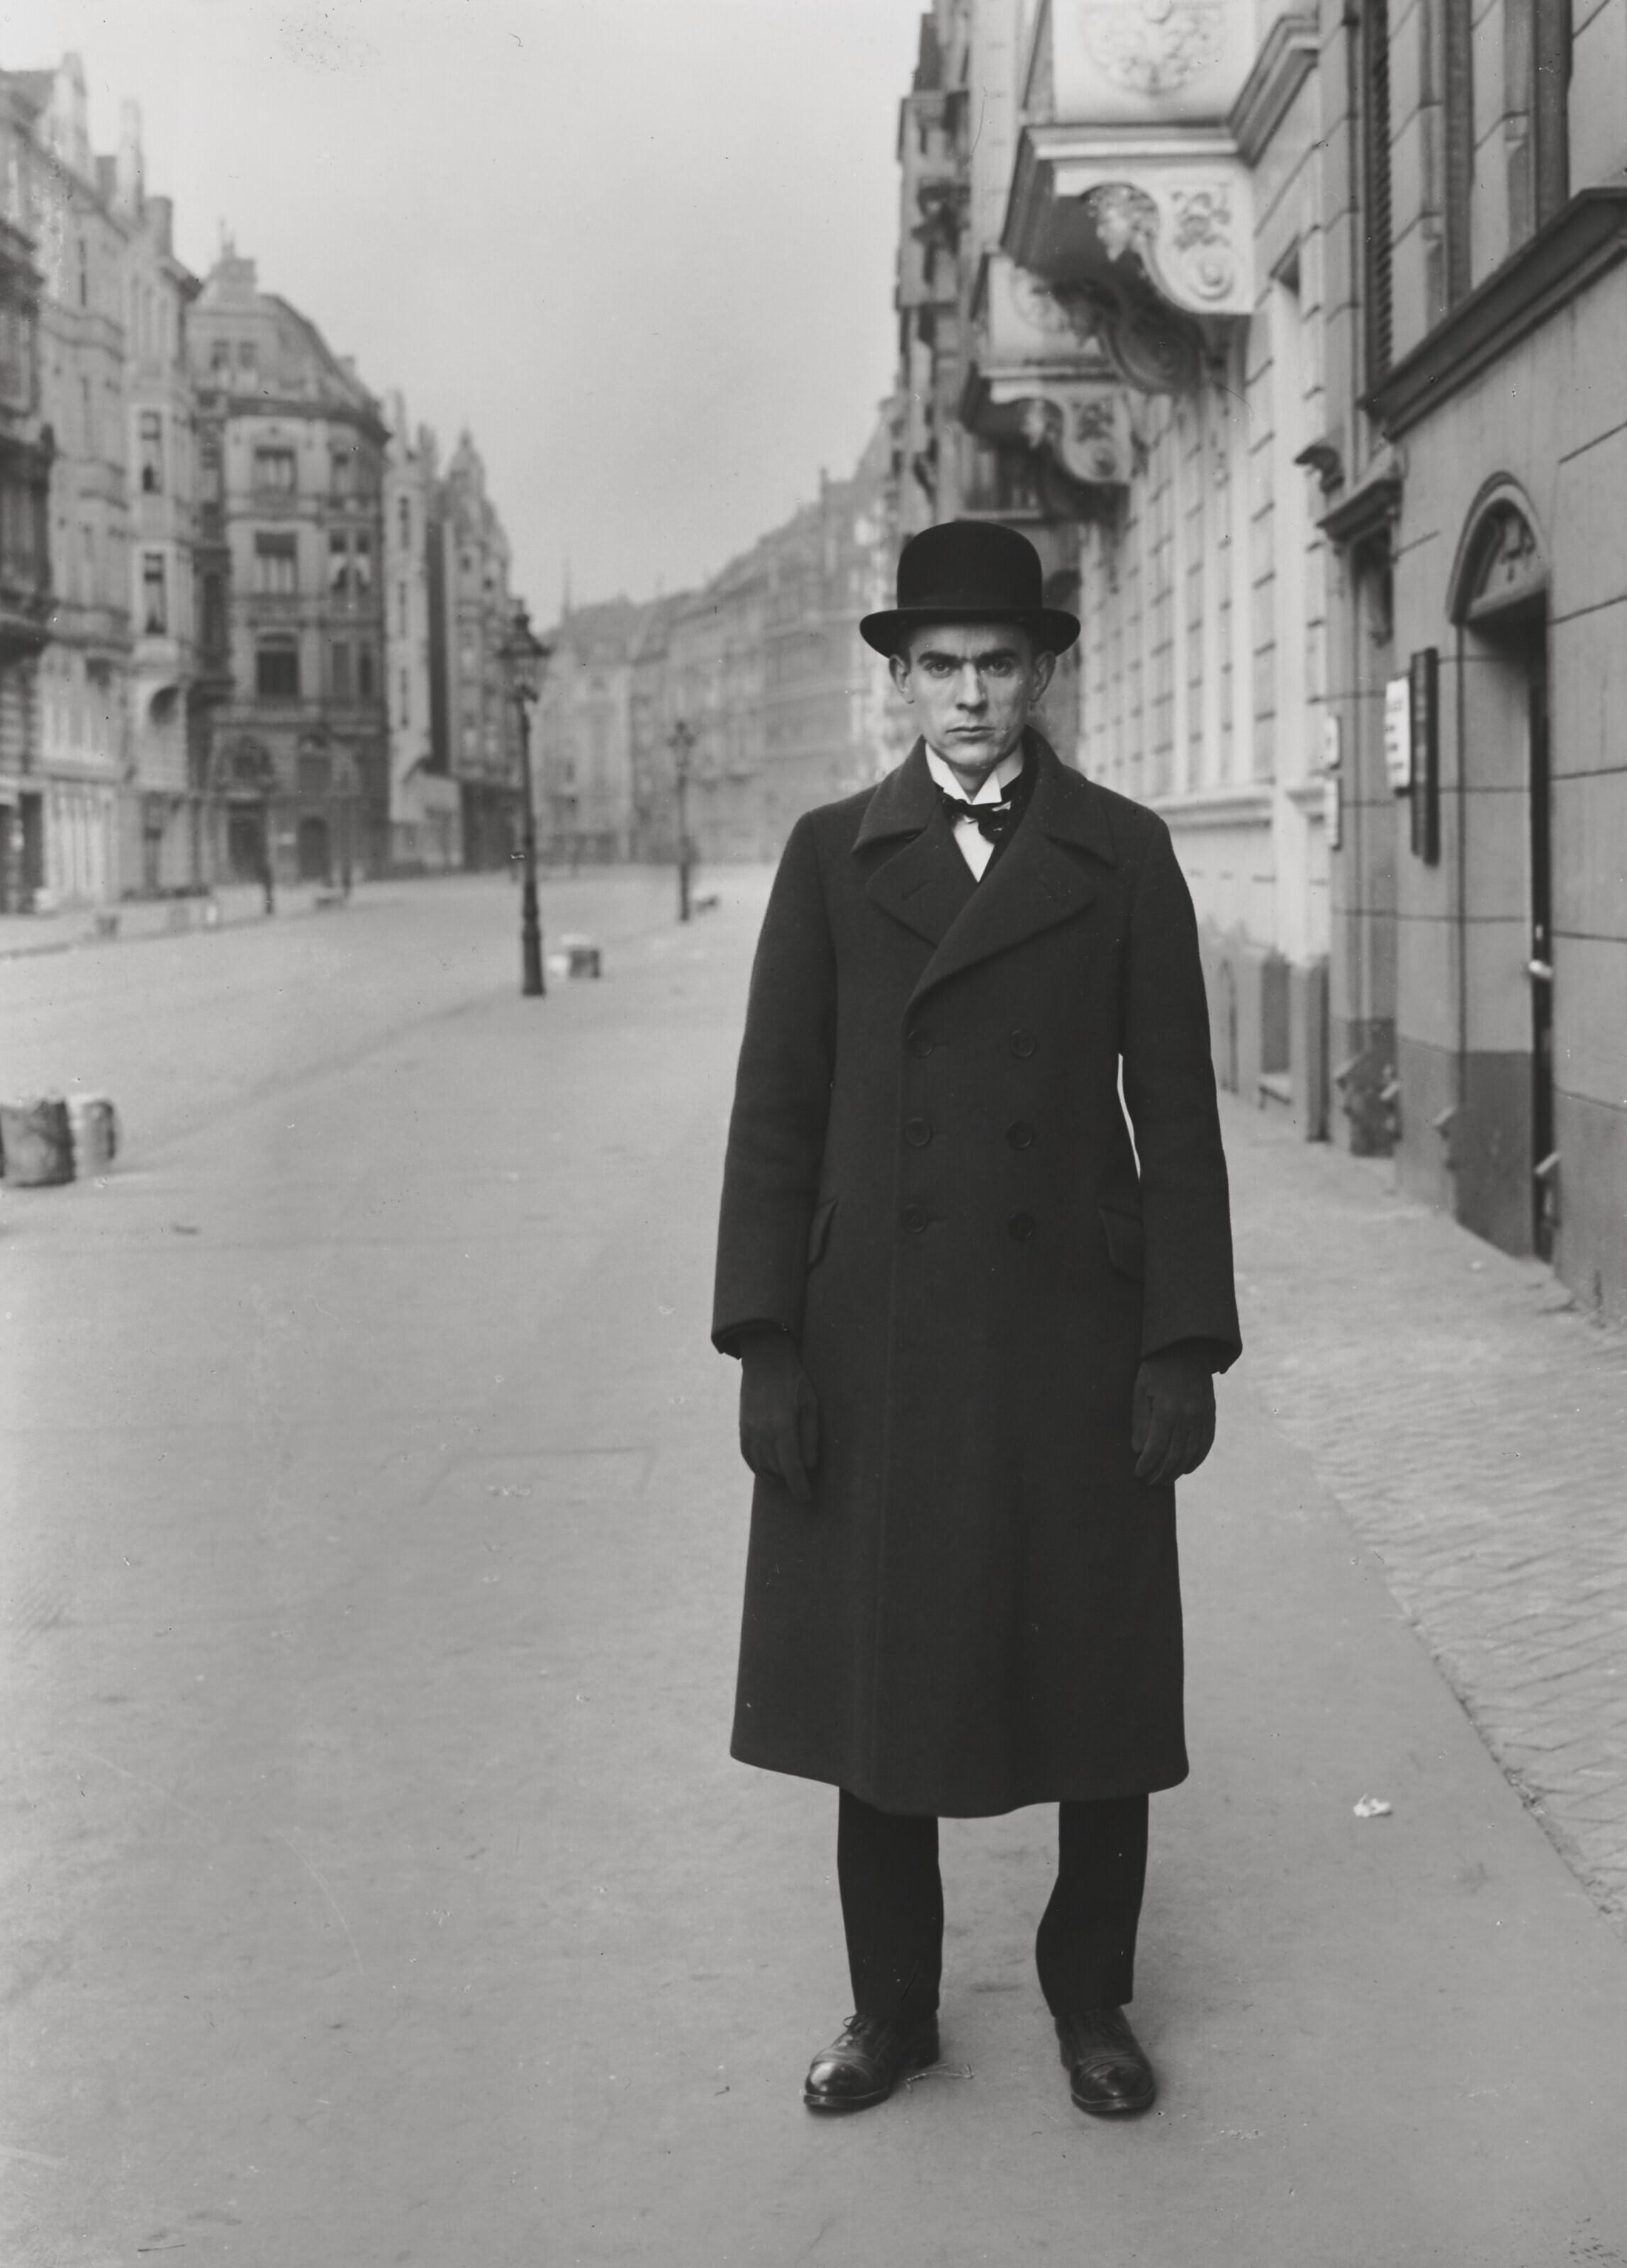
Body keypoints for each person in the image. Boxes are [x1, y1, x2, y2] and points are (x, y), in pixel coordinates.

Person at [712, 519, 1240, 2118]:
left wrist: (1179, 1341)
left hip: (1067, 1330)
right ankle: (895, 2014)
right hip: (874, 1336)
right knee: (883, 1687)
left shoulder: (1122, 847)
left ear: (1040, 672)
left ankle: (1092, 2001)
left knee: (1097, 1687)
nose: (966, 695)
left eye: (996, 664)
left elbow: (1181, 1112)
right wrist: (763, 1341)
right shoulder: (827, 853)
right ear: (898, 679)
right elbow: (773, 1112)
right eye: (936, 666)